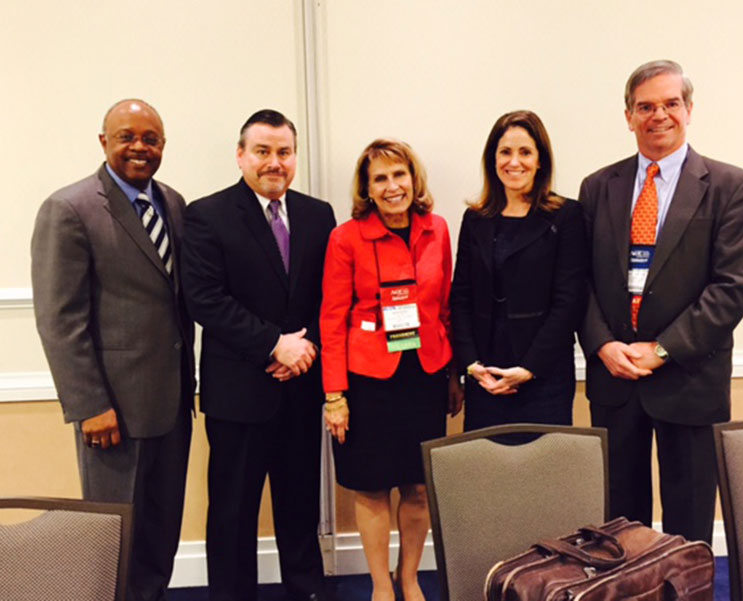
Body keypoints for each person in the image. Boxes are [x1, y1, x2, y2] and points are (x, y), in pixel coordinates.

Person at [579, 60, 743, 543]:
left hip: (689, 377)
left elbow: (733, 287)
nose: (659, 115)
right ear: (628, 116)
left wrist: (661, 349)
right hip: (616, 379)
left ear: (689, 109)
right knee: (620, 524)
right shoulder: (598, 188)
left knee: (690, 522)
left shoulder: (731, 188)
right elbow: (581, 283)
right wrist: (603, 346)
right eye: (645, 106)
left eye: (670, 104)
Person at [31, 99, 195, 601]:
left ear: (163, 146)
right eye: (127, 136)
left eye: (151, 139)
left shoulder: (173, 202)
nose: (139, 148)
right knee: (114, 537)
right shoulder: (70, 208)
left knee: (160, 533)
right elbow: (60, 320)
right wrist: (90, 406)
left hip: (172, 404)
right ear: (103, 141)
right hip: (113, 413)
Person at [180, 109, 335, 601]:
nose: (274, 162)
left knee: (299, 506)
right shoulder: (206, 214)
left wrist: (304, 350)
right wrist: (275, 344)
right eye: (263, 151)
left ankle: (307, 590)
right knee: (232, 511)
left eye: (284, 152)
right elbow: (205, 298)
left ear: (294, 157)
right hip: (239, 393)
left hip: (302, 386)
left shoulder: (318, 214)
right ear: (241, 154)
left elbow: (326, 299)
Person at [320, 139, 461, 601]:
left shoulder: (436, 228)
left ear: (413, 178)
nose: (392, 186)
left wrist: (453, 374)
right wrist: (335, 395)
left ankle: (409, 576)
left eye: (399, 175)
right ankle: (381, 584)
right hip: (367, 382)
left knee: (418, 487)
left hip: (424, 375)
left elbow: (444, 308)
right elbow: (332, 319)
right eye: (380, 178)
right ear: (367, 188)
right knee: (372, 486)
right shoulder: (346, 237)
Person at [450, 110, 587, 431]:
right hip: (485, 377)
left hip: (543, 377)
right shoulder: (475, 219)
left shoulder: (566, 216)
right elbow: (461, 297)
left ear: (541, 160)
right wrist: (471, 365)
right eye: (505, 152)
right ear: (492, 159)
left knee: (542, 475)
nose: (515, 162)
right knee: (489, 474)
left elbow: (569, 303)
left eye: (525, 152)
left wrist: (528, 368)